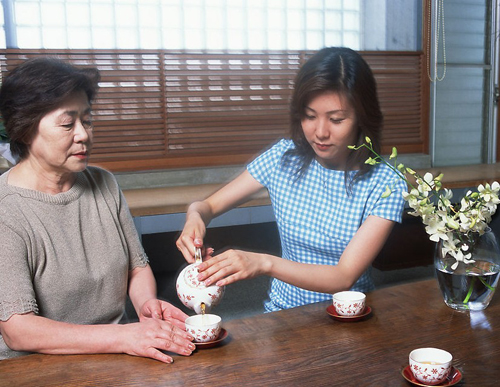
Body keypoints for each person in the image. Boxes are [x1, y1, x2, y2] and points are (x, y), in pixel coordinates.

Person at [176, 47, 407, 312]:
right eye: (310, 116)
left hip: (348, 315)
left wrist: (264, 263)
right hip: (283, 314)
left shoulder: (387, 183)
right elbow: (208, 206)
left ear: (361, 119)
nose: (320, 132)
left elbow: (343, 276)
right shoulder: (283, 158)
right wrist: (195, 216)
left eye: (336, 119)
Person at [0, 57, 195, 363]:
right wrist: (124, 336)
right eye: (67, 124)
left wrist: (146, 306)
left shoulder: (104, 182)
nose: (83, 135)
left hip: (115, 354)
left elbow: (137, 266)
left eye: (87, 121)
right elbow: (18, 330)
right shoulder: (6, 211)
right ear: (24, 131)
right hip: (37, 366)